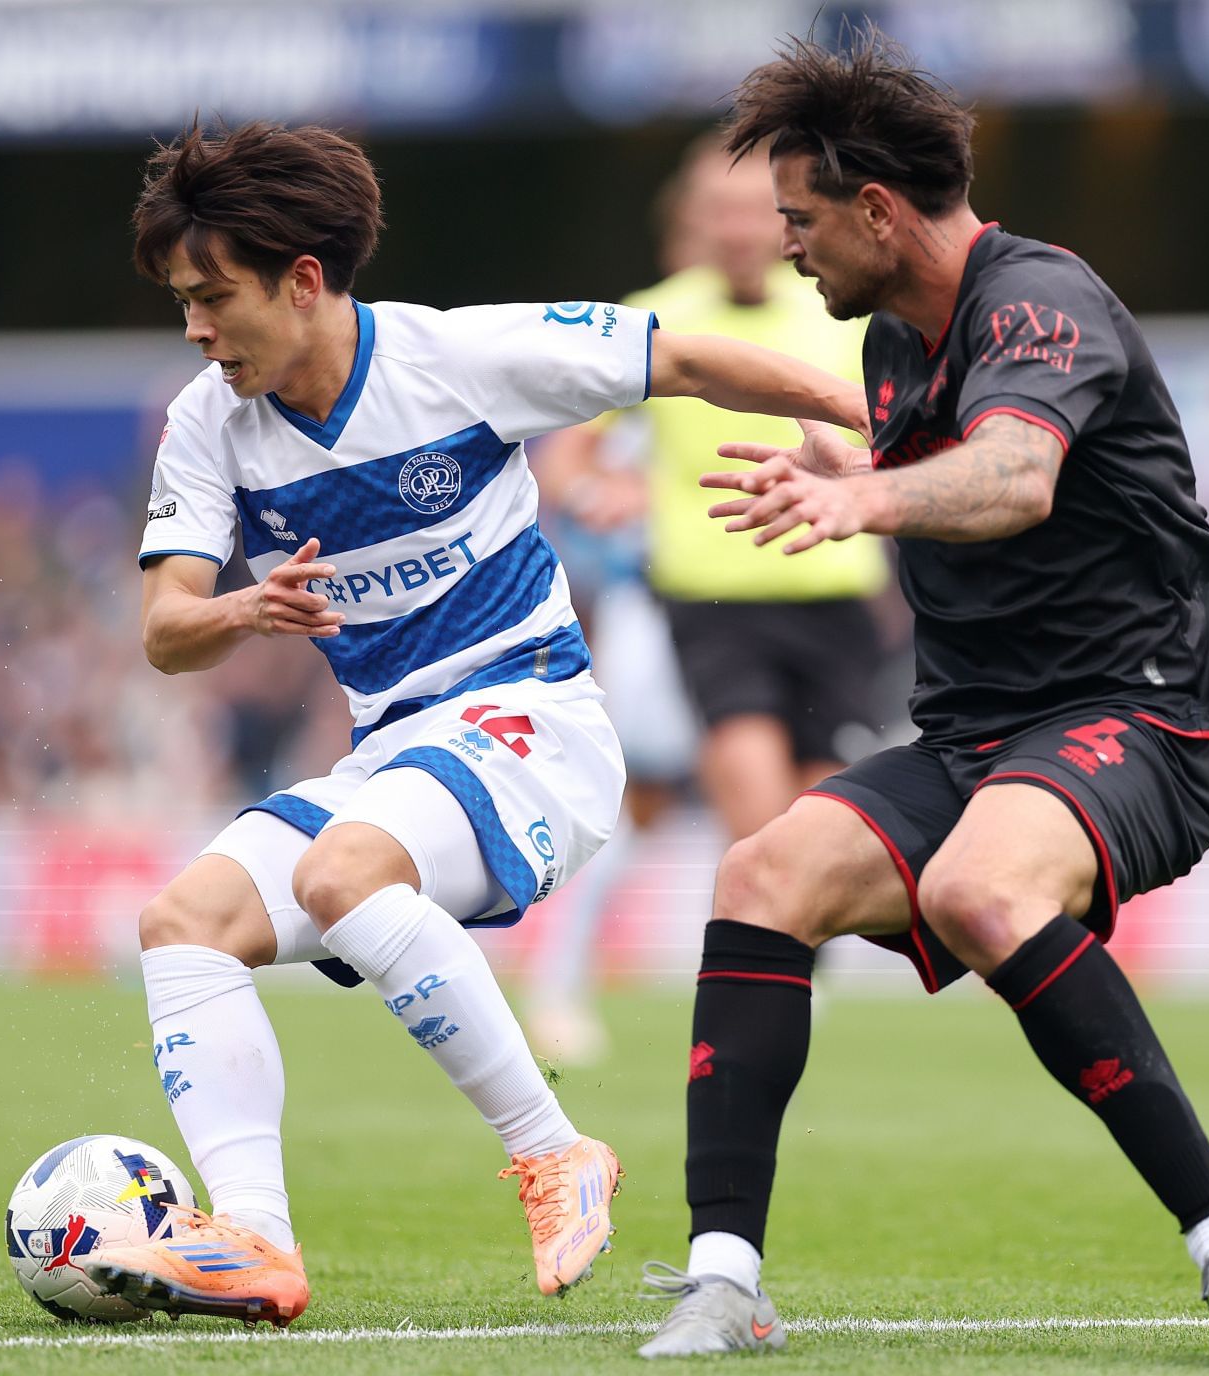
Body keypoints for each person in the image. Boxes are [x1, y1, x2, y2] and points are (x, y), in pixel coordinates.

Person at [79, 119, 868, 1328]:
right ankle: (255, 1236)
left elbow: (692, 361)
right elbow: (164, 628)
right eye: (183, 302)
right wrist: (243, 603)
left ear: (302, 280)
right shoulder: (209, 421)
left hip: (536, 724)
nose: (195, 328)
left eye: (211, 297)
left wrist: (877, 422)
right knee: (183, 922)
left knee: (347, 870)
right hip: (396, 754)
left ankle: (557, 1151)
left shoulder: (463, 356)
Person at [638, 32, 1209, 1362]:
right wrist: (857, 449)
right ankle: (723, 1281)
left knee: (978, 890)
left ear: (880, 211)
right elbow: (932, 445)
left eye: (803, 218)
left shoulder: (1039, 299)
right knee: (762, 870)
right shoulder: (897, 336)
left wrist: (860, 496)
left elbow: (1014, 478)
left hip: (1142, 713)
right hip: (980, 734)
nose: (789, 247)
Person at [528, 134, 889, 1062]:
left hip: (836, 600)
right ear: (697, 220)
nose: (736, 229)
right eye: (718, 212)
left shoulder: (847, 312)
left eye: (754, 212)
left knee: (826, 831)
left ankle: (783, 984)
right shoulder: (656, 321)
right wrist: (588, 491)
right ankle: (752, 1007)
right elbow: (569, 448)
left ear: (785, 219)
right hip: (710, 604)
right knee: (757, 821)